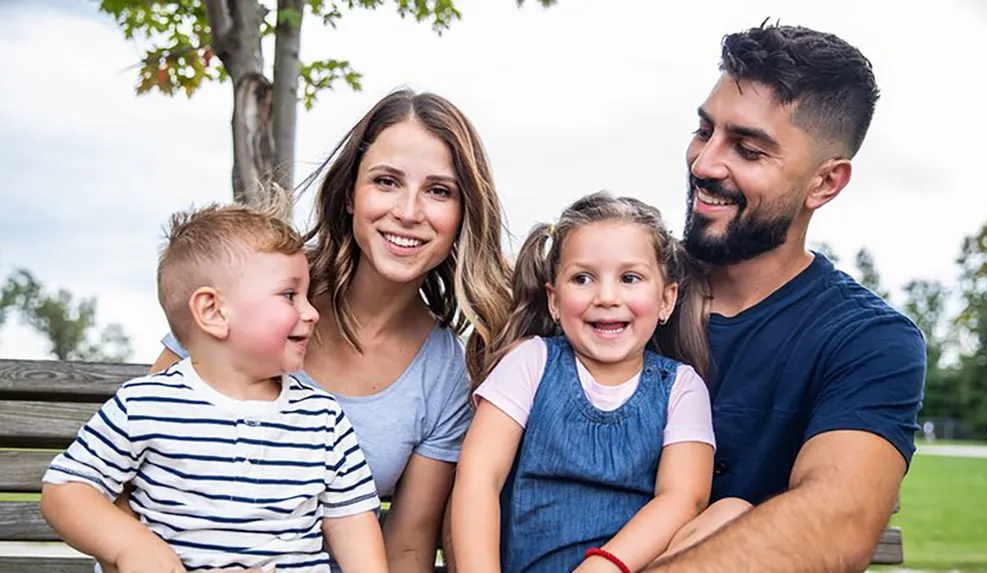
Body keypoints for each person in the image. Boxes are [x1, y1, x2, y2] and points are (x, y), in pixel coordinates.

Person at [128, 89, 512, 572]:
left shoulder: (443, 371)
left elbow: (408, 549)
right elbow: (123, 472)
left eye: (439, 191)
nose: (410, 212)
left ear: (463, 214)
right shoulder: (254, 291)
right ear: (350, 193)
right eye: (387, 181)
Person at [642, 22, 926, 572]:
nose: (704, 164)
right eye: (705, 131)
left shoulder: (867, 341)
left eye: (747, 149)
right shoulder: (612, 295)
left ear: (825, 183)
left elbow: (835, 522)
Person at [41, 203, 389, 573]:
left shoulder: (322, 417)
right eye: (290, 295)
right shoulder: (146, 405)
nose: (312, 312)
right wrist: (131, 545)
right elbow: (67, 490)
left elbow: (350, 520)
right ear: (213, 311)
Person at [452, 191, 723, 572]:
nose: (607, 297)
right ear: (554, 300)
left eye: (630, 278)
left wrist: (605, 566)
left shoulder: (680, 387)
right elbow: (479, 475)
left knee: (730, 514)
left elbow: (683, 498)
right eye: (583, 278)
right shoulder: (531, 362)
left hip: (625, 568)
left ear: (666, 300)